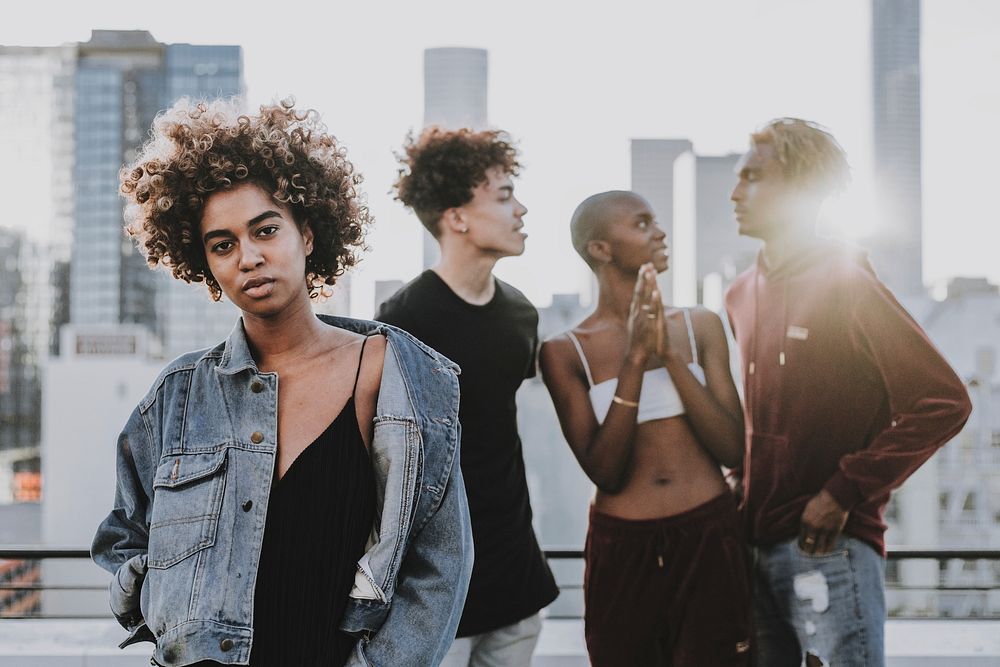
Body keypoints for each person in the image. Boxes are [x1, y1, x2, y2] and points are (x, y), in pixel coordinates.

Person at [90, 98, 473, 667]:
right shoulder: (178, 397)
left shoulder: (394, 376)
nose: (248, 257)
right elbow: (123, 537)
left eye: (265, 230)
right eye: (223, 245)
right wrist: (168, 597)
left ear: (309, 235)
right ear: (206, 266)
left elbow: (439, 565)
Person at [725, 117, 973, 667]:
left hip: (828, 549)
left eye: (752, 177)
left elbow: (944, 400)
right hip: (753, 549)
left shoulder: (847, 282)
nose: (734, 191)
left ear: (799, 188)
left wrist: (841, 492)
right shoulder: (740, 293)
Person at [538, 190, 752, 666]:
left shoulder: (701, 324)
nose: (660, 232)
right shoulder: (564, 351)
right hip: (624, 546)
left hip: (709, 534)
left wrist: (669, 355)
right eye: (641, 224)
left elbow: (731, 448)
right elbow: (606, 471)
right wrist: (636, 358)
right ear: (600, 249)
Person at [375, 127, 558, 666]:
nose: (521, 209)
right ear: (456, 217)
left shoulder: (521, 314)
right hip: (437, 591)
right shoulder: (403, 320)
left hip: (517, 576)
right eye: (503, 197)